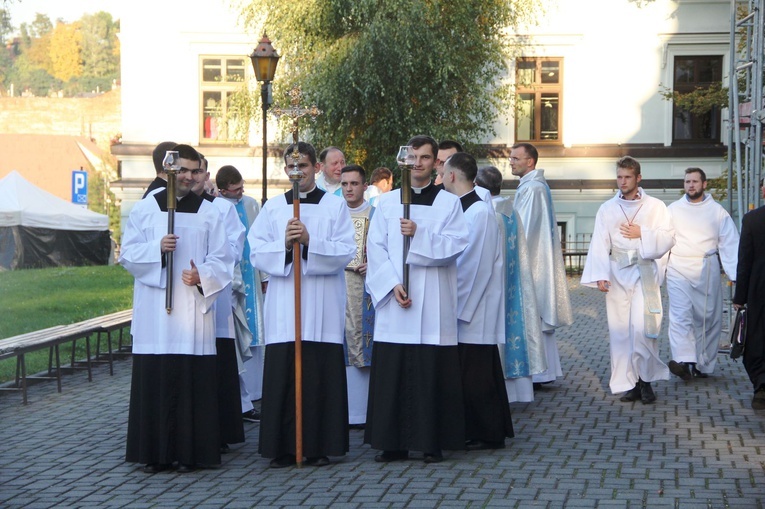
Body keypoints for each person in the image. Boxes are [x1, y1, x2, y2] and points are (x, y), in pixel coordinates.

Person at [121, 144, 233, 473]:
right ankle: (155, 454)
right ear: (169, 171)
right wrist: (157, 248)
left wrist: (204, 275)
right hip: (156, 312)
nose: (187, 176)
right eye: (181, 170)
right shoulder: (146, 210)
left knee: (191, 381)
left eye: (193, 170)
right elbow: (128, 254)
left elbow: (224, 258)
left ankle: (192, 452)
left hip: (192, 308)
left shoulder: (209, 212)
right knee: (156, 379)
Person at [249, 141, 356, 468]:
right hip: (285, 306)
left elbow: (345, 251)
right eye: (292, 167)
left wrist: (310, 242)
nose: (298, 172)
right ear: (285, 170)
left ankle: (318, 446)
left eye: (305, 167)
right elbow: (255, 251)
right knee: (284, 375)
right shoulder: (274, 207)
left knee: (318, 376)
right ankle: (282, 447)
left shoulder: (334, 206)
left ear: (316, 169)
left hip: (321, 305)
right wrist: (283, 244)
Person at [364, 134, 469, 464]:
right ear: (405, 159)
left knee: (430, 373)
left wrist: (419, 234)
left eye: (425, 158)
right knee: (393, 370)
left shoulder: (449, 203)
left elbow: (456, 246)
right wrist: (392, 283)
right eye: (413, 157)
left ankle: (430, 441)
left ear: (435, 162)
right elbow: (375, 247)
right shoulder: (388, 202)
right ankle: (391, 442)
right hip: (397, 302)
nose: (418, 163)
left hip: (432, 302)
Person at [581, 156, 675, 404]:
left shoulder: (656, 207)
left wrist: (642, 233)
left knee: (642, 328)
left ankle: (646, 381)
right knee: (621, 330)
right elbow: (600, 242)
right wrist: (600, 274)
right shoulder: (607, 208)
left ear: (638, 178)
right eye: (619, 177)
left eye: (627, 177)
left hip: (644, 272)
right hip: (617, 274)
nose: (622, 182)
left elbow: (668, 238)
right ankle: (629, 382)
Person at [442, 154, 513, 450]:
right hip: (466, 302)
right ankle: (478, 428)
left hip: (475, 305)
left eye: (443, 173)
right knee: (472, 371)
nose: (440, 178)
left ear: (454, 176)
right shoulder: (462, 208)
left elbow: (473, 265)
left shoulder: (478, 212)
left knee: (478, 373)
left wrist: (455, 304)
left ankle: (489, 431)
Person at [475, 165, 545, 403]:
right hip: (512, 286)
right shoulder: (510, 211)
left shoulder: (485, 214)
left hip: (490, 289)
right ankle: (518, 392)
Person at [192, 160, 247, 453]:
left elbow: (235, 249)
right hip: (185, 300)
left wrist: (209, 263)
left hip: (217, 297)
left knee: (218, 366)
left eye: (199, 172)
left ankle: (221, 431)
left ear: (207, 176)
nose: (194, 177)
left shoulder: (223, 208)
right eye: (189, 172)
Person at [666, 168, 739, 381]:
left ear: (704, 184)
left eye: (695, 181)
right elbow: (662, 238)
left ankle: (702, 363)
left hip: (707, 268)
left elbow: (730, 243)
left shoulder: (717, 212)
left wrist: (735, 275)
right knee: (680, 316)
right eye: (687, 181)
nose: (690, 185)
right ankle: (684, 360)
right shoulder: (672, 210)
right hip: (678, 266)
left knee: (708, 317)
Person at [509, 142, 573, 387]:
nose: (511, 162)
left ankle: (538, 372)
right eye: (511, 158)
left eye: (516, 158)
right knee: (536, 316)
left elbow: (521, 225)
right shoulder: (533, 186)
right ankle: (544, 372)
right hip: (536, 257)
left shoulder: (533, 189)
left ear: (530, 162)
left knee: (532, 314)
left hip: (532, 260)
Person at [216, 166, 266, 424]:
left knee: (255, 336)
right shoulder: (217, 207)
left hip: (250, 276)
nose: (241, 192)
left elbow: (257, 239)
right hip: (231, 283)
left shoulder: (250, 205)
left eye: (242, 187)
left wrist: (265, 276)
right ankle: (245, 400)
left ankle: (255, 393)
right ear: (223, 190)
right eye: (235, 190)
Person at [339, 164, 375, 428]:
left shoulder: (376, 213)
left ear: (364, 186)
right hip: (337, 285)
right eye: (344, 184)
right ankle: (346, 411)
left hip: (366, 287)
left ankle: (364, 411)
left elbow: (386, 245)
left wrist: (372, 263)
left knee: (364, 340)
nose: (349, 189)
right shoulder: (333, 212)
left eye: (354, 184)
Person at [733, 179, 765, 410]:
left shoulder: (752, 220)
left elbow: (744, 262)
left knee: (757, 338)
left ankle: (761, 387)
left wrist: (739, 296)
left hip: (759, 289)